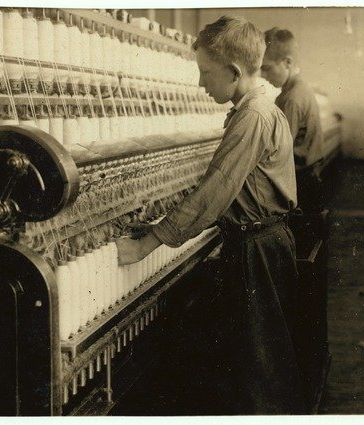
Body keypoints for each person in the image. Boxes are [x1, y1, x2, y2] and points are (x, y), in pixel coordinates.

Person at [115, 16, 305, 414]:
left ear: (234, 72)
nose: (201, 83)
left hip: (258, 250)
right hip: (259, 243)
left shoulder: (253, 116)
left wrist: (146, 245)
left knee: (259, 369)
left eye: (206, 73)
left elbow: (214, 193)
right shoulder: (254, 110)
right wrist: (158, 216)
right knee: (257, 360)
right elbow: (226, 184)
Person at [262, 28, 324, 214]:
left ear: (287, 63)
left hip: (300, 178)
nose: (263, 76)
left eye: (267, 68)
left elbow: (279, 151)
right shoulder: (300, 87)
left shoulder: (291, 98)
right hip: (311, 173)